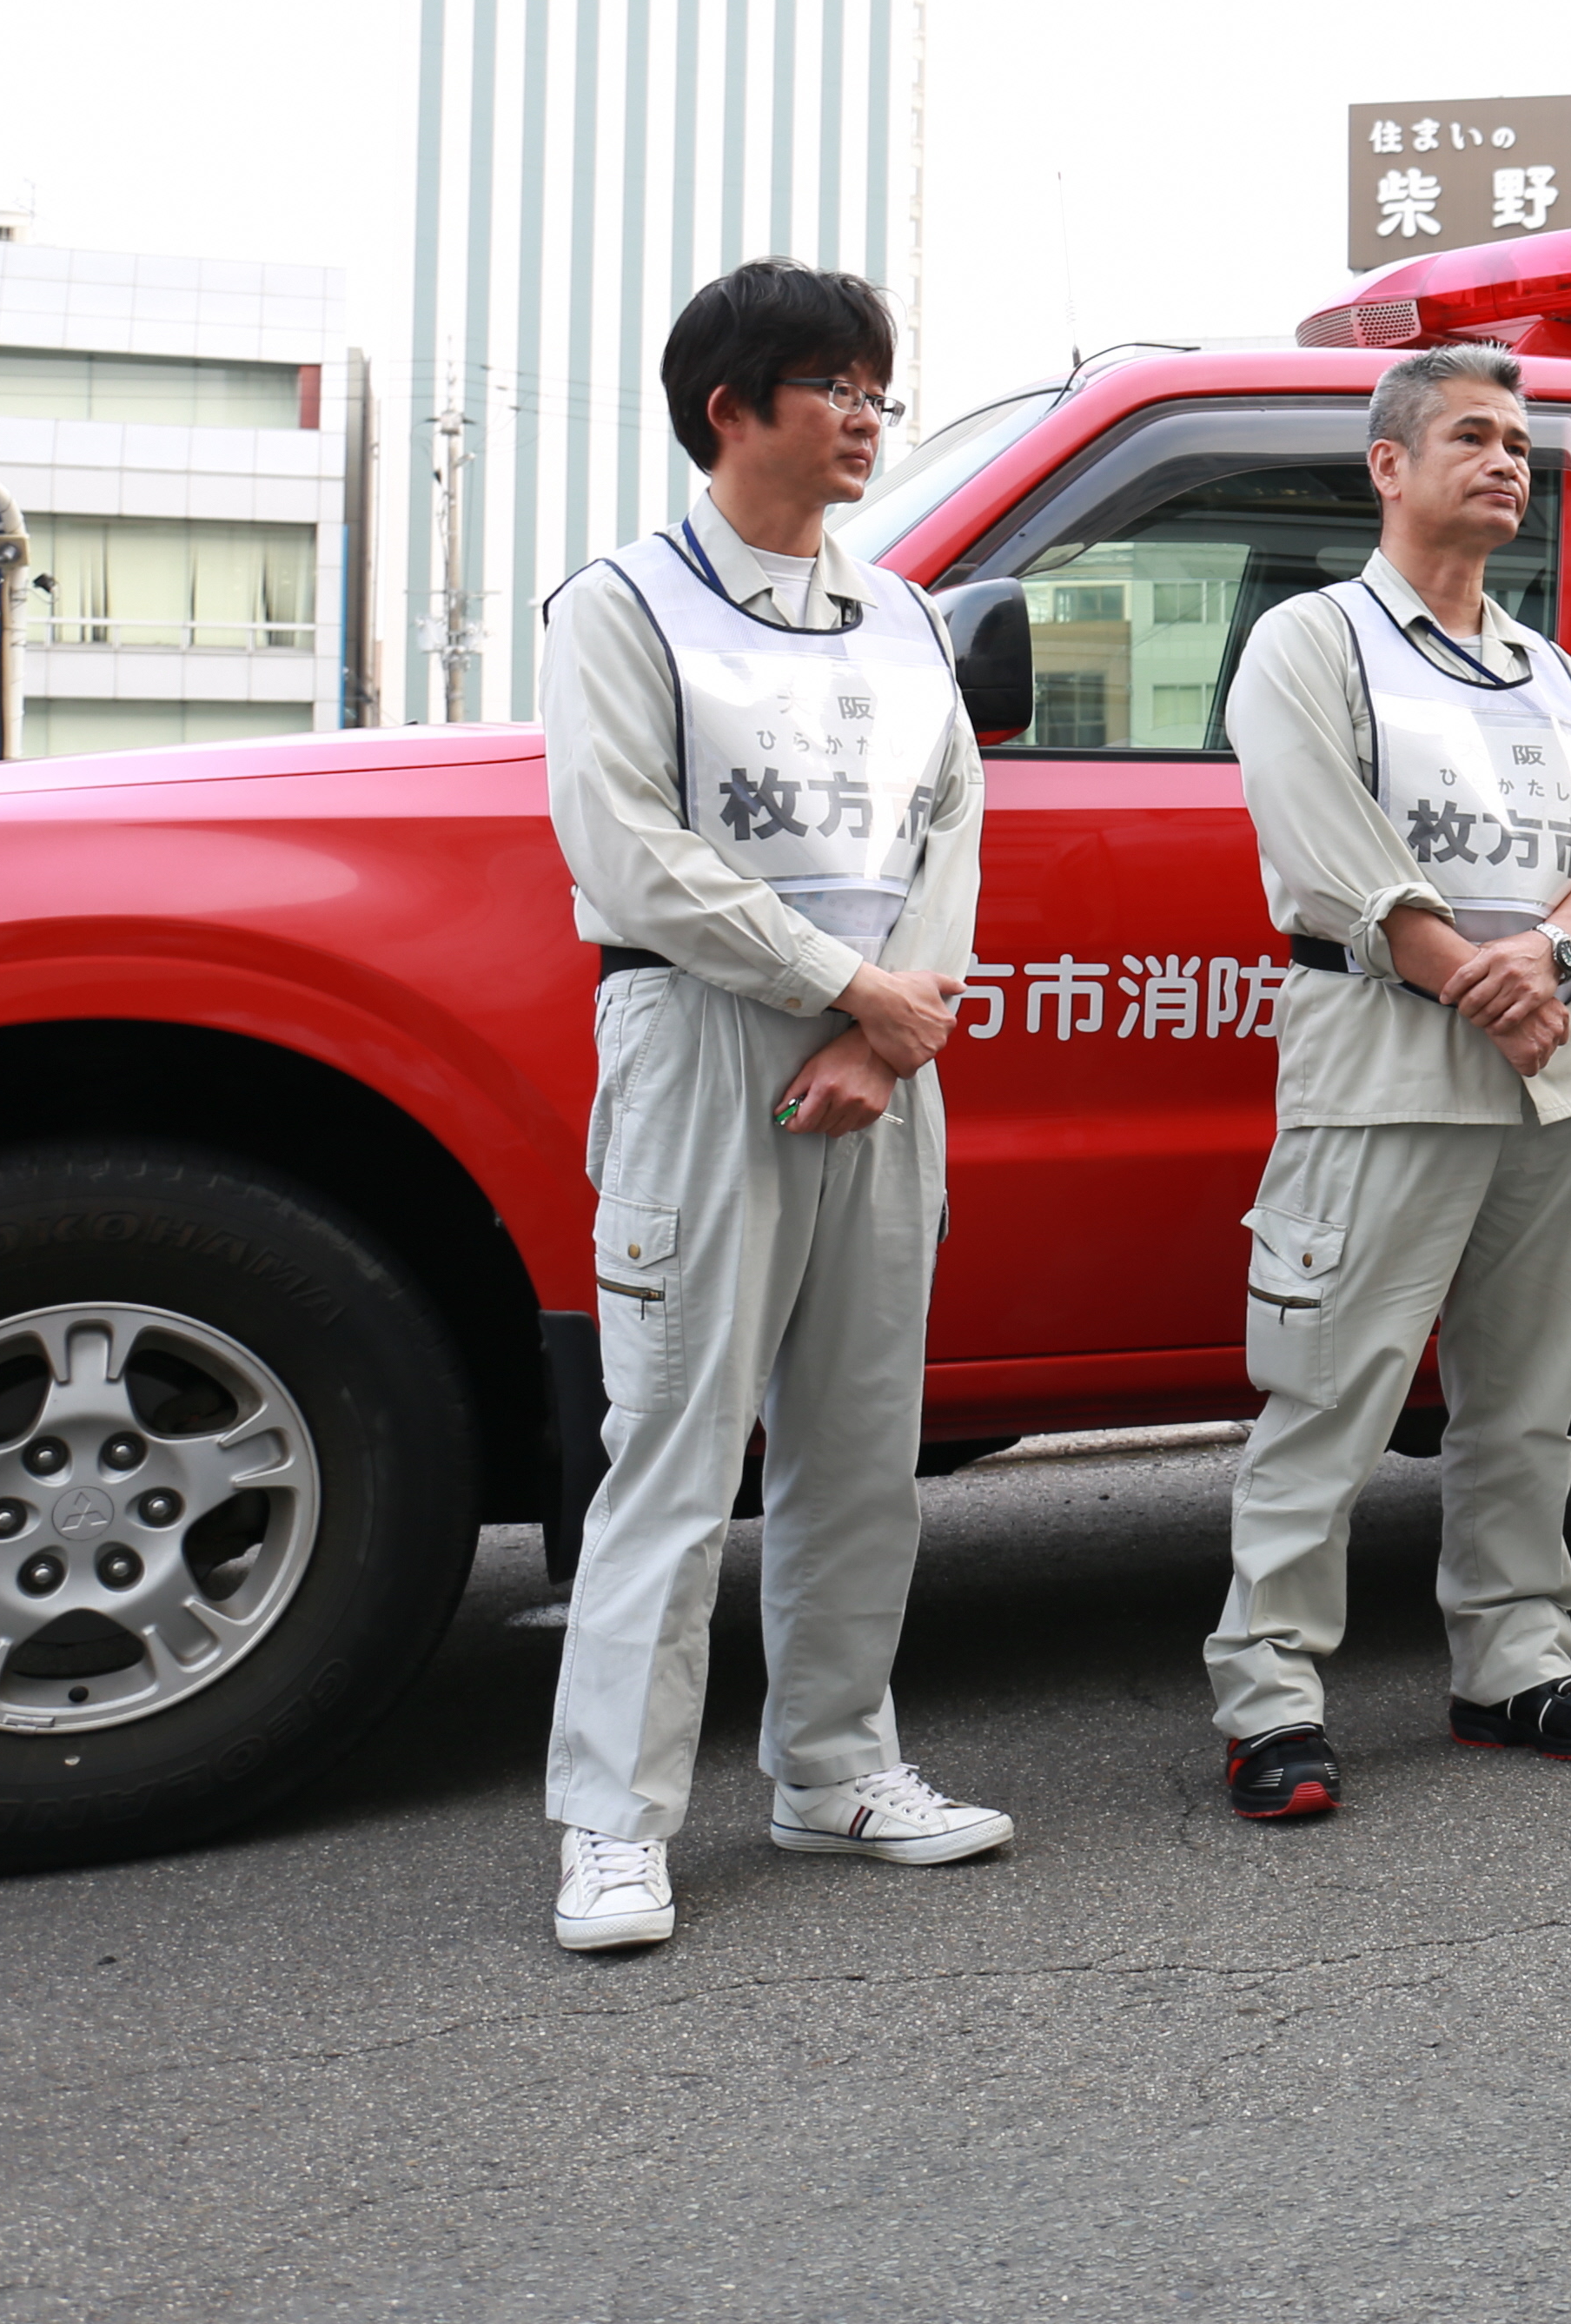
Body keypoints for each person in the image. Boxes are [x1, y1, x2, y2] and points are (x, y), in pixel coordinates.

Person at [537, 259, 1011, 1955]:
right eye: (833, 384)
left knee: (860, 1447)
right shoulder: (622, 603)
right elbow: (627, 850)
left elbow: (951, 825)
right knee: (670, 1449)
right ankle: (612, 1822)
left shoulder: (904, 614)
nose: (867, 414)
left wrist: (890, 1031)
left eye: (877, 385)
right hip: (705, 1051)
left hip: (884, 1064)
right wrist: (840, 986)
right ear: (731, 410)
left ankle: (834, 1772)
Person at [1201, 341, 1571, 1820]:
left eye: (1521, 441)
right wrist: (1480, 975)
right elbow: (1332, 847)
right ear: (1387, 465)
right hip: (1392, 1068)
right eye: (1472, 433)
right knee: (1328, 1394)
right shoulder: (1313, 641)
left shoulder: (1552, 669)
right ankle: (1269, 1693)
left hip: (1553, 1072)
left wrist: (1549, 959)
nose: (1509, 460)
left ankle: (1514, 1662)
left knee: (1525, 1404)